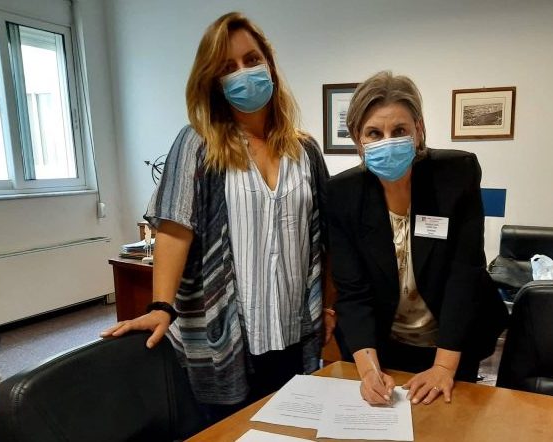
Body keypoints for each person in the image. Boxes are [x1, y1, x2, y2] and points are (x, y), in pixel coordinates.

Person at [101, 12, 331, 426]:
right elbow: (174, 229)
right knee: (230, 430)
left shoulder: (306, 151)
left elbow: (324, 239)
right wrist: (160, 306)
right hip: (225, 341)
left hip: (292, 331)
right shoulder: (197, 144)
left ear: (269, 64)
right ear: (213, 80)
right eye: (228, 67)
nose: (244, 73)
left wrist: (328, 306)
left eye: (251, 59)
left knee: (290, 428)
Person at [327, 71, 508, 407]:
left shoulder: (456, 174)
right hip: (385, 341)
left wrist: (443, 367)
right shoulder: (343, 194)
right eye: (374, 133)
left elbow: (464, 274)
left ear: (419, 130)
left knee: (450, 419)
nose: (387, 141)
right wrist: (369, 371)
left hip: (453, 341)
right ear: (357, 139)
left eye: (399, 131)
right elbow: (353, 292)